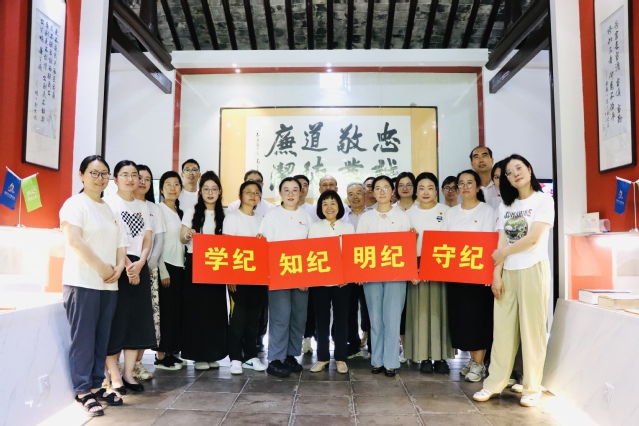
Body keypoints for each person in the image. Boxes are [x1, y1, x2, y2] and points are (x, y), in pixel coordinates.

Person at [473, 155, 554, 408]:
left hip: (533, 269)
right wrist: (496, 274)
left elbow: (533, 238)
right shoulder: (505, 206)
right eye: (510, 172)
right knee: (503, 331)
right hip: (507, 271)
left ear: (529, 169)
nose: (516, 173)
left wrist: (503, 254)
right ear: (506, 179)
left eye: (519, 168)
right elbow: (501, 241)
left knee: (532, 331)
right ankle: (493, 384)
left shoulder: (543, 200)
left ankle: (532, 387)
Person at [60, 155, 126, 416]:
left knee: (101, 339)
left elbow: (120, 243)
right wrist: (102, 267)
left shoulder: (108, 208)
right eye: (94, 173)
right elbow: (74, 240)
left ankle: (97, 385)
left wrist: (118, 268)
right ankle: (82, 389)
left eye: (104, 174)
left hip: (109, 285)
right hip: (83, 282)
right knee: (84, 339)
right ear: (81, 175)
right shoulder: (75, 204)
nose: (100, 179)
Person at [104, 160, 155, 394]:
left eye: (134, 175)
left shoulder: (143, 205)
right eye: (125, 174)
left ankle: (128, 373)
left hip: (138, 264)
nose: (131, 179)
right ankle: (113, 374)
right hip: (118, 264)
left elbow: (147, 238)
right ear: (115, 179)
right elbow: (114, 238)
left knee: (137, 321)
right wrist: (126, 266)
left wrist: (141, 263)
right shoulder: (109, 203)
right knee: (117, 321)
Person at [442, 169, 496, 383]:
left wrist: (488, 273)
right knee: (462, 318)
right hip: (457, 275)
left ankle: (479, 363)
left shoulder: (487, 211)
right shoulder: (451, 213)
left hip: (478, 275)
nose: (465, 187)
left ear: (477, 186)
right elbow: (444, 242)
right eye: (461, 184)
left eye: (469, 183)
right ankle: (472, 360)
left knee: (479, 318)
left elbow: (489, 243)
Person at [357, 175, 412, 377]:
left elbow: (407, 247)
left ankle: (391, 362)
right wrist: (359, 272)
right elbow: (359, 247)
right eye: (377, 188)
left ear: (392, 191)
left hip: (396, 275)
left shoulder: (402, 216)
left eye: (386, 187)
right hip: (371, 274)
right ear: (372, 192)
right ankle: (377, 360)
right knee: (375, 318)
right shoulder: (366, 217)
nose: (381, 191)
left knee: (392, 317)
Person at [258, 177, 313, 378]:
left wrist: (307, 277)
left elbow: (312, 247)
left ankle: (291, 355)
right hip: (278, 274)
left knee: (298, 317)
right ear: (280, 193)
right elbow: (265, 244)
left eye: (295, 190)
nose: (291, 194)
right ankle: (275, 359)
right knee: (281, 317)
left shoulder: (306, 216)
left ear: (301, 192)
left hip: (301, 275)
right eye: (286, 190)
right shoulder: (272, 215)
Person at [405, 172, 455, 374]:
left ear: (436, 191)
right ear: (416, 191)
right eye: (421, 188)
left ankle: (441, 357)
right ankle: (423, 356)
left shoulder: (447, 211)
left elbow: (453, 239)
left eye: (430, 188)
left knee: (440, 312)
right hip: (416, 268)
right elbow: (403, 245)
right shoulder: (408, 213)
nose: (426, 192)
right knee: (420, 313)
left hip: (441, 265)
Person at [180, 171, 228, 370]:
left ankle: (212, 354)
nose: (210, 193)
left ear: (220, 192)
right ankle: (199, 355)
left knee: (215, 310)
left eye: (214, 189)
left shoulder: (225, 214)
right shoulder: (192, 211)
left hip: (217, 265)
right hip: (196, 264)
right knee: (197, 310)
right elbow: (182, 237)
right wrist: (189, 234)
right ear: (200, 192)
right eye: (206, 189)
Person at [224, 180, 269, 375]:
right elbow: (227, 248)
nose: (253, 195)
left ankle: (250, 357)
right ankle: (235, 357)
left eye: (256, 192)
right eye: (248, 192)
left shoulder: (263, 219)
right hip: (238, 276)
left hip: (258, 276)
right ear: (240, 195)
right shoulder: (232, 217)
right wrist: (229, 276)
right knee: (238, 318)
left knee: (253, 318)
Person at [308, 190, 355, 374]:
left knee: (341, 319)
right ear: (320, 207)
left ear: (339, 206)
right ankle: (322, 358)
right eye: (325, 204)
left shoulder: (348, 228)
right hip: (320, 282)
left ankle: (341, 358)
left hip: (342, 283)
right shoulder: (314, 227)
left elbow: (350, 255)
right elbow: (311, 253)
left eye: (333, 203)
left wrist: (346, 276)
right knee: (322, 320)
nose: (329, 207)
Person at [132, 165, 167, 380]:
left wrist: (150, 263)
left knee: (148, 318)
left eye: (147, 179)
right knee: (129, 317)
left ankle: (138, 363)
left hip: (149, 270)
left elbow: (159, 238)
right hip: (127, 269)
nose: (143, 182)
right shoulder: (122, 205)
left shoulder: (154, 208)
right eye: (139, 177)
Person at [155, 171, 186, 370]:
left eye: (176, 184)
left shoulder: (180, 212)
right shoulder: (158, 210)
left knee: (175, 312)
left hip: (179, 265)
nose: (173, 188)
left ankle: (171, 353)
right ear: (161, 189)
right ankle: (160, 356)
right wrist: (163, 270)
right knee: (165, 313)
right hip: (166, 265)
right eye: (168, 184)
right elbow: (156, 242)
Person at [345, 183, 371, 356]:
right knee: (349, 308)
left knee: (369, 308)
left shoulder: (373, 215)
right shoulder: (342, 216)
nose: (355, 197)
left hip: (368, 268)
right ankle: (352, 343)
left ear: (365, 195)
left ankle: (371, 342)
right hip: (347, 268)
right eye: (351, 194)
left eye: (359, 193)